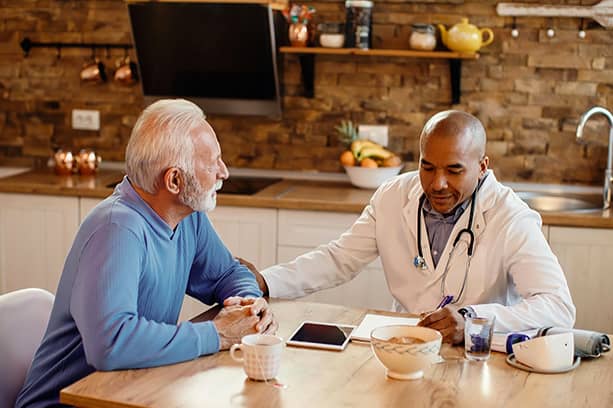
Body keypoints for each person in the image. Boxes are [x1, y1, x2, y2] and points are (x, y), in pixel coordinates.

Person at [16, 99, 277, 408]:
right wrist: (218, 334)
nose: (224, 172)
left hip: (131, 393)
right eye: (213, 162)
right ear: (175, 180)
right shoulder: (117, 228)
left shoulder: (187, 217)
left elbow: (226, 273)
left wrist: (250, 306)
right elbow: (111, 344)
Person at [247, 110, 575, 345]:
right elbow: (339, 259)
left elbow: (558, 307)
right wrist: (267, 280)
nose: (438, 183)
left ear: (482, 166)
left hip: (479, 356)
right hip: (404, 347)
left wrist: (473, 318)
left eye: (454, 170)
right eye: (427, 167)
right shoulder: (394, 195)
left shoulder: (511, 217)